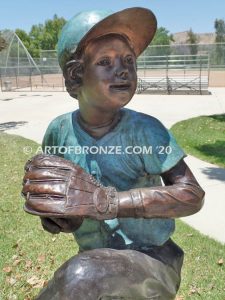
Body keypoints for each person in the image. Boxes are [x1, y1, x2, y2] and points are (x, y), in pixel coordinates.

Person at [22, 7, 205, 299]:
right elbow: (66, 205)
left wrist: (108, 202)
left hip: (154, 259)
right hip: (96, 259)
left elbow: (191, 194)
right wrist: (59, 216)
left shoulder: (146, 130)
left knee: (79, 275)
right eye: (106, 61)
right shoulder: (59, 132)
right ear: (75, 75)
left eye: (129, 60)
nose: (123, 69)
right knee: (86, 272)